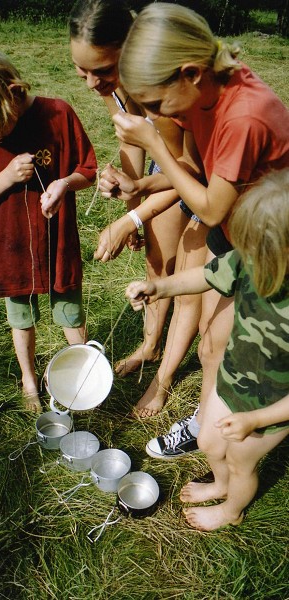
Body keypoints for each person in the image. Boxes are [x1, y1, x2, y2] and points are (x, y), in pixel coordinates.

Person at [102, 2, 289, 450]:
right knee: (211, 345)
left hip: (271, 246)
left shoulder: (242, 114)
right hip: (241, 228)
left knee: (232, 351)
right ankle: (208, 425)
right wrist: (141, 182)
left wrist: (151, 141)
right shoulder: (203, 96)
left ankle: (229, 439)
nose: (157, 116)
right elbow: (198, 171)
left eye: (156, 104)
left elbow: (207, 207)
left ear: (189, 72)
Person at [126, 168, 289, 530]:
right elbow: (205, 275)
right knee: (210, 441)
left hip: (269, 408)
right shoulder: (249, 259)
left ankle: (232, 509)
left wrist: (255, 420)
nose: (246, 253)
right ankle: (219, 482)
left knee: (240, 462)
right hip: (231, 379)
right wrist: (161, 288)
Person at [69, 0, 208, 415]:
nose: (93, 83)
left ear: (129, 53)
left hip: (204, 178)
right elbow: (131, 140)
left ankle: (163, 380)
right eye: (82, 72)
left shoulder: (161, 92)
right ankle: (149, 346)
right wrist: (127, 201)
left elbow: (191, 172)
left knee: (186, 278)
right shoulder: (113, 87)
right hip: (167, 169)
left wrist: (133, 216)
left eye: (102, 72)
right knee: (157, 261)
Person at [0, 46, 97, 412]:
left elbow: (88, 170)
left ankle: (81, 376)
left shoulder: (57, 113)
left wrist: (63, 184)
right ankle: (30, 380)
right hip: (12, 246)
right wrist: (8, 176)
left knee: (70, 313)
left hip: (59, 241)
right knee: (22, 317)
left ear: (13, 93)